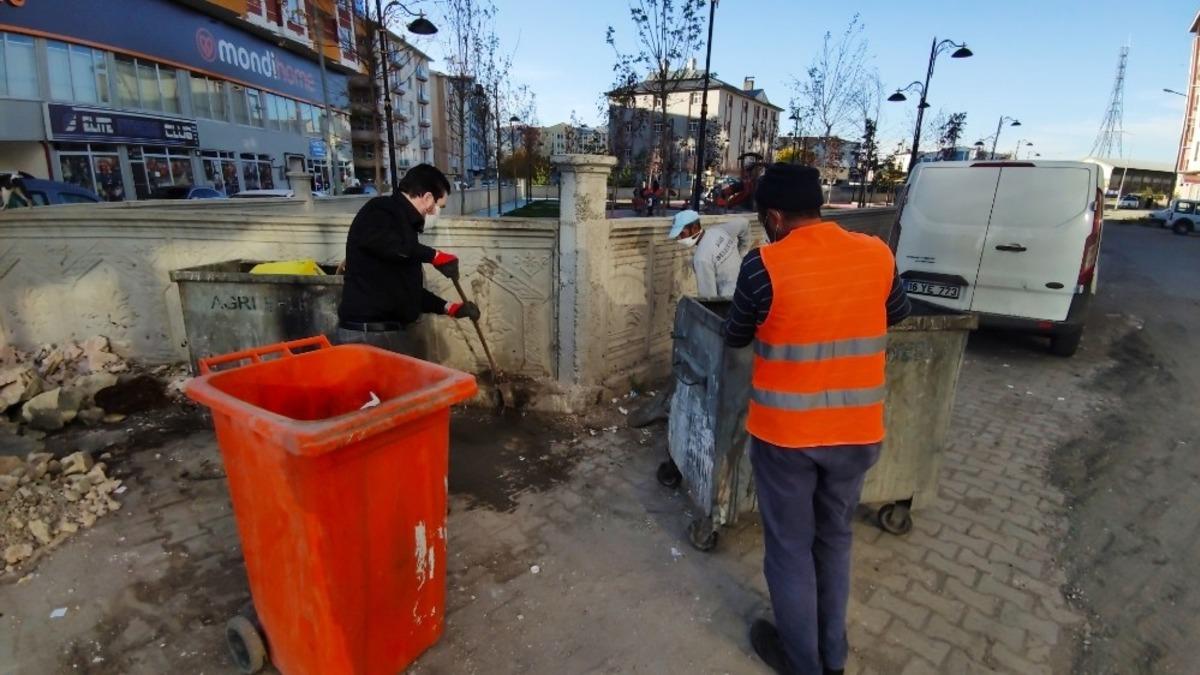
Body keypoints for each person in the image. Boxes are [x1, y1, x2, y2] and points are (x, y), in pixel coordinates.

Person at [723, 163, 910, 675]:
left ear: (777, 216)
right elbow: (898, 311)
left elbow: (735, 333)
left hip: (787, 438)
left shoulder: (763, 265)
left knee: (789, 548)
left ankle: (801, 661)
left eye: (765, 218)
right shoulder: (876, 253)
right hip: (856, 433)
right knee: (835, 539)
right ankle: (833, 658)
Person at [336, 163, 480, 355]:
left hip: (385, 333)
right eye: (439, 206)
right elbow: (390, 245)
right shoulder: (380, 211)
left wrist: (449, 308)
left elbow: (404, 288)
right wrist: (434, 256)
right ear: (428, 197)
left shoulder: (405, 228)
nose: (437, 212)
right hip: (366, 335)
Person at [668, 209, 750, 298]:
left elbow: (709, 298)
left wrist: (742, 253)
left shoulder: (701, 259)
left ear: (694, 228)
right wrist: (743, 254)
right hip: (748, 286)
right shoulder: (719, 231)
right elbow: (744, 222)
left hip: (732, 300)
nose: (680, 238)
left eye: (682, 234)